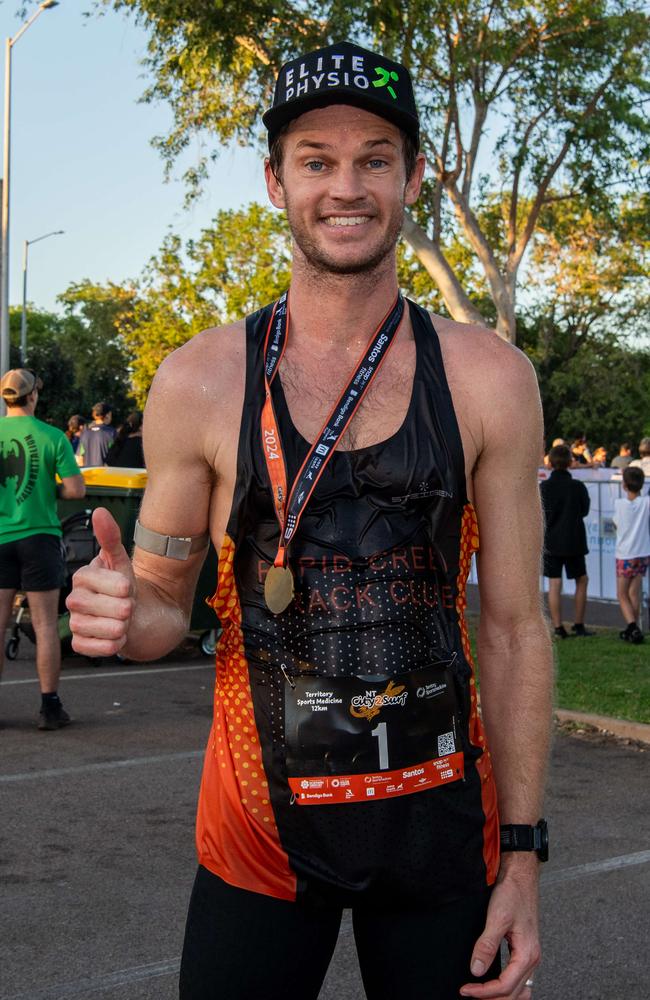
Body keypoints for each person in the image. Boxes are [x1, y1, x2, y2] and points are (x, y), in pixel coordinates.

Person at [67, 40, 552, 1000]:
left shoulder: (490, 377)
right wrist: (128, 618)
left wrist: (526, 857)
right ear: (275, 179)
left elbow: (513, 625)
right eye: (316, 160)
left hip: (442, 824)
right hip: (260, 828)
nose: (347, 187)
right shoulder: (200, 379)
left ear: (413, 175)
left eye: (375, 158)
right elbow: (168, 607)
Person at [0, 369, 85, 729]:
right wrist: (49, 491)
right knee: (46, 625)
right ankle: (50, 707)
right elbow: (76, 490)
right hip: (40, 537)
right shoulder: (52, 437)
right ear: (33, 396)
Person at [540, 444, 594, 639]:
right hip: (574, 541)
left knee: (554, 583)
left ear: (551, 462)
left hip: (552, 542)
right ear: (570, 462)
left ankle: (558, 627)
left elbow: (542, 515)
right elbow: (585, 510)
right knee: (582, 580)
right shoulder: (577, 486)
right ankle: (578, 624)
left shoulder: (544, 487)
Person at [613, 466, 650, 643]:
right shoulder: (647, 503)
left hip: (625, 554)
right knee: (634, 593)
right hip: (642, 552)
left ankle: (632, 627)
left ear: (624, 485)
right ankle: (634, 629)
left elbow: (616, 524)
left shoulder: (619, 505)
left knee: (621, 594)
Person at [77, 401, 116, 466]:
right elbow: (115, 457)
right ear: (108, 415)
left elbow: (79, 459)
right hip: (105, 475)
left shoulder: (85, 434)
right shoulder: (111, 433)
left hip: (89, 474)